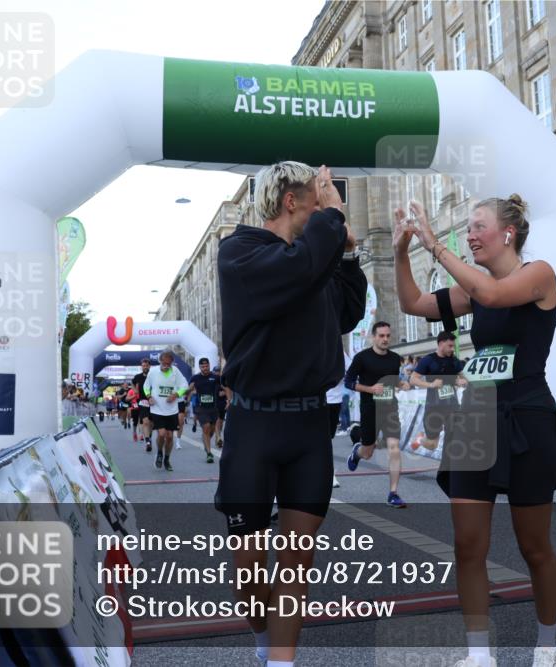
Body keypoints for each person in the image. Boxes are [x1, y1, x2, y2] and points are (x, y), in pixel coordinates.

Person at [395, 195, 556, 667]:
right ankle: (479, 655)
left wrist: (435, 244)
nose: (471, 234)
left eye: (478, 226)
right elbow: (414, 302)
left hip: (528, 416)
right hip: (476, 417)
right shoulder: (474, 288)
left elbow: (497, 295)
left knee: (533, 545)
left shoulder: (538, 274)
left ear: (508, 234)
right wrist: (402, 250)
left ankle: (547, 647)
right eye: (467, 228)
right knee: (467, 545)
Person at [215, 162, 366, 666]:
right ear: (292, 201)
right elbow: (298, 269)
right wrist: (334, 221)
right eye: (318, 200)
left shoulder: (311, 260)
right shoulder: (240, 252)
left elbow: (348, 311)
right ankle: (264, 642)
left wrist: (347, 255)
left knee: (297, 562)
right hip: (254, 427)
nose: (326, 209)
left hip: (307, 428)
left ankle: (282, 661)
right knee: (251, 573)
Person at [344, 322, 409, 507]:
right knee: (367, 453)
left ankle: (393, 493)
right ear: (374, 337)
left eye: (388, 336)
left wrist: (402, 385)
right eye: (381, 336)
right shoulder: (362, 358)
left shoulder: (395, 358)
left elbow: (394, 382)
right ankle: (357, 452)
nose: (385, 339)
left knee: (394, 449)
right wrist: (369, 389)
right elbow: (348, 382)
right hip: (369, 409)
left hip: (390, 409)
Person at [410, 331, 467, 451]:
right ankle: (420, 439)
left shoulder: (454, 361)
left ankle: (451, 466)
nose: (452, 349)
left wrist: (462, 381)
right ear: (441, 343)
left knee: (455, 438)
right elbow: (413, 379)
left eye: (453, 346)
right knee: (432, 445)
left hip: (452, 406)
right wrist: (431, 384)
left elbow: (465, 377)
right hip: (434, 407)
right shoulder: (428, 360)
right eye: (450, 346)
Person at [143, 350, 188, 471]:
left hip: (172, 410)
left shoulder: (175, 372)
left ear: (172, 363)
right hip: (157, 409)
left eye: (169, 363)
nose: (167, 366)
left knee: (169, 437)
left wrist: (176, 395)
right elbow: (146, 386)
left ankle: (167, 459)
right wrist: (149, 397)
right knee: (161, 434)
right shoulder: (153, 372)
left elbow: (185, 385)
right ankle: (159, 453)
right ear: (160, 361)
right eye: (164, 363)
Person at [189, 357, 222, 464]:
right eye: (202, 367)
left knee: (211, 430)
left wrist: (229, 399)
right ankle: (209, 453)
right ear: (199, 367)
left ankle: (205, 441)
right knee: (206, 427)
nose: (205, 368)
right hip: (201, 407)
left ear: (209, 365)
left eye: (206, 366)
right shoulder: (195, 378)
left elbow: (225, 387)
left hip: (213, 408)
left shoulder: (215, 377)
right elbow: (189, 390)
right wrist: (185, 398)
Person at [325, 346, 347, 488]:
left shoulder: (340, 350)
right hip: (316, 400)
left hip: (334, 401)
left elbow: (348, 372)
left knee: (328, 440)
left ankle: (329, 474)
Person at [133, 358, 154, 451]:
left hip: (153, 402)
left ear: (149, 366)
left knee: (151, 423)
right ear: (141, 367)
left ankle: (149, 437)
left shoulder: (153, 376)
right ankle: (148, 442)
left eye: (146, 366)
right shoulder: (138, 377)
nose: (145, 367)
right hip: (143, 401)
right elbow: (132, 383)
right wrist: (135, 390)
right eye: (143, 366)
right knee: (145, 422)